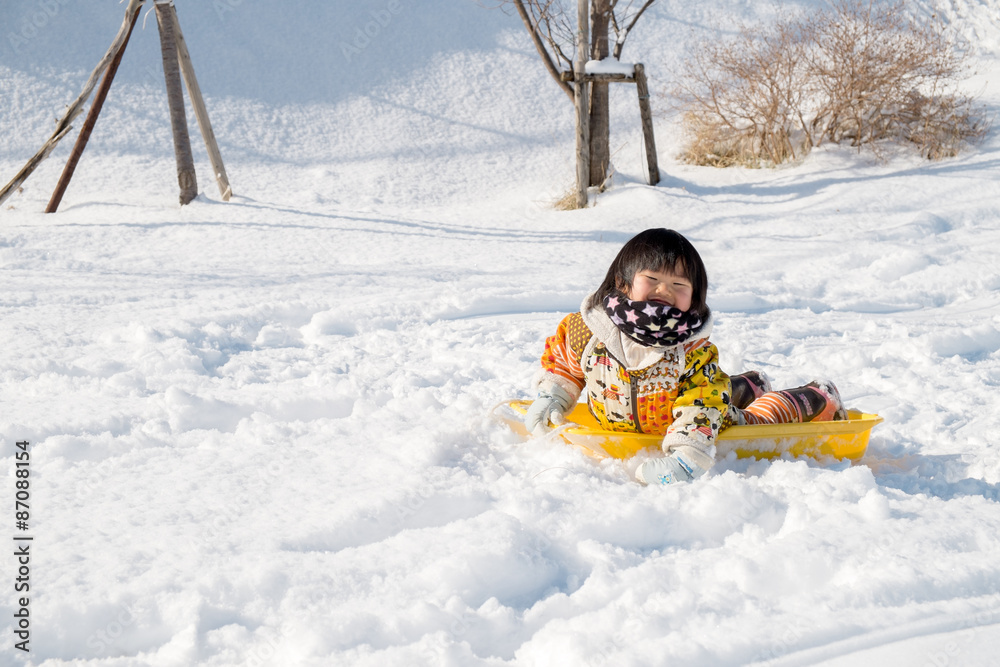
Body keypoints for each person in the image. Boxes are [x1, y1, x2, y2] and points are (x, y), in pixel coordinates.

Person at [524, 228, 846, 486]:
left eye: (678, 285)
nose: (664, 290)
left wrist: (687, 456)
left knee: (751, 416)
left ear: (693, 300)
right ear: (623, 282)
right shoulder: (589, 330)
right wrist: (552, 395)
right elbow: (565, 362)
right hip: (647, 412)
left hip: (700, 423)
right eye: (652, 280)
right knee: (708, 389)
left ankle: (818, 396)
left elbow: (703, 402)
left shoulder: (691, 350)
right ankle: (751, 384)